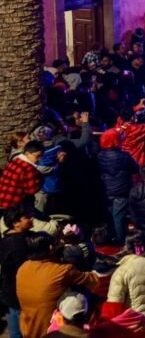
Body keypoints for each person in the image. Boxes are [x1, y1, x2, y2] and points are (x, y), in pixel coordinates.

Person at [16, 233, 98, 338]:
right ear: (51, 248)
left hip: (27, 328)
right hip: (51, 330)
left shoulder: (23, 267)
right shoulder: (62, 270)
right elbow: (93, 281)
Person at [97, 130, 137, 243]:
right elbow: (135, 169)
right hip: (121, 191)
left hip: (106, 190)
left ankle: (109, 237)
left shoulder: (99, 156)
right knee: (119, 217)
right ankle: (119, 241)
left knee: (110, 216)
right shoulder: (124, 156)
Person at [0, 205, 35, 338]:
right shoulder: (17, 244)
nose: (31, 219)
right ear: (16, 223)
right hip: (15, 293)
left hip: (10, 291)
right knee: (17, 331)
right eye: (26, 217)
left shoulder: (8, 237)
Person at [0, 141, 44, 211]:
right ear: (27, 153)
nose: (40, 159)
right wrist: (41, 178)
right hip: (14, 205)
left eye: (42, 156)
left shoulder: (15, 161)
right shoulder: (29, 168)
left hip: (3, 200)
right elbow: (32, 190)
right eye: (38, 156)